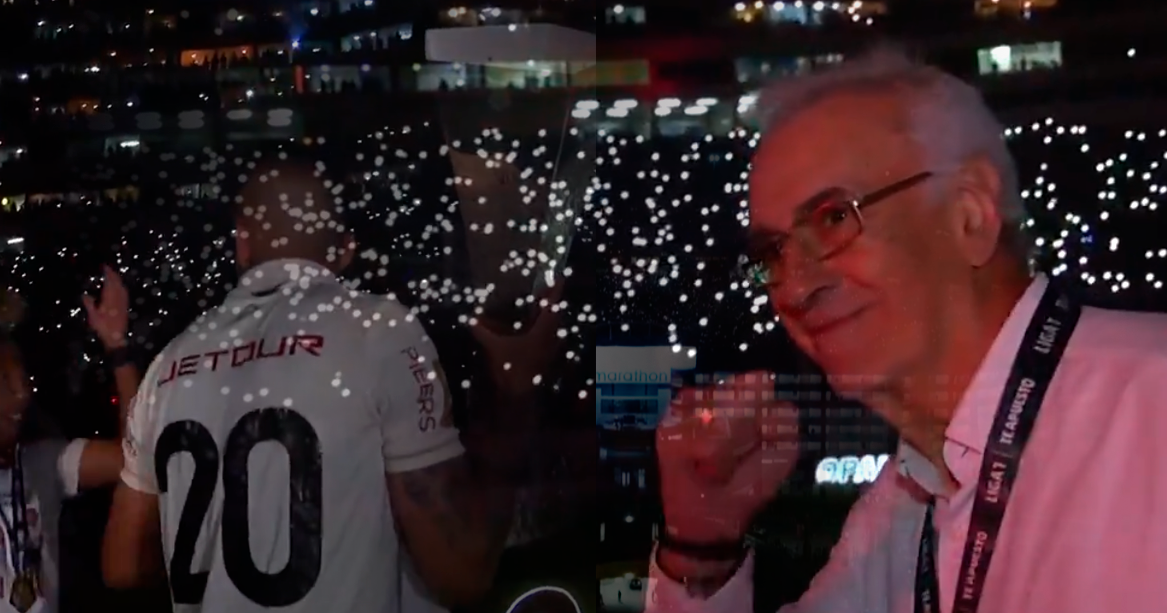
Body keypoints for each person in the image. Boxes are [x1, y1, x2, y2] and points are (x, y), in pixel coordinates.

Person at [648, 47, 1167, 612]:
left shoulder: (1152, 412)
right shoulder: (898, 511)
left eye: (835, 218)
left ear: (969, 214)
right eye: (773, 253)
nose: (795, 288)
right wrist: (699, 542)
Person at [102, 154, 537, 612]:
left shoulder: (168, 365)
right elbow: (462, 571)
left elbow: (123, 566)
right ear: (345, 249)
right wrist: (516, 391)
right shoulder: (378, 333)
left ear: (242, 244)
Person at [0, 267, 141, 613]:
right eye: (4, 382)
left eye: (24, 380)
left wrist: (119, 351)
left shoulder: (40, 462)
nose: (22, 396)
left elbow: (134, 456)